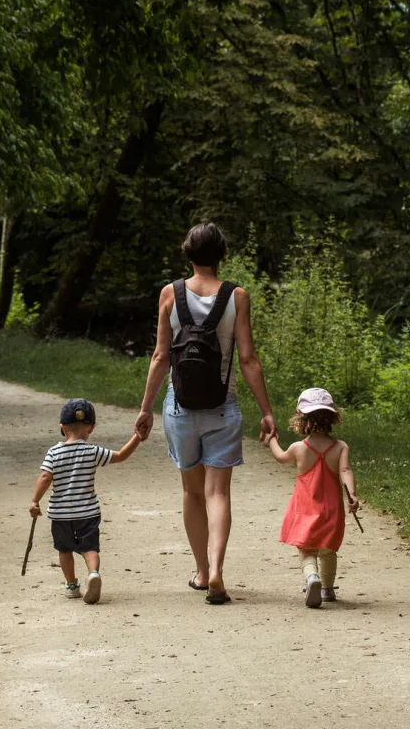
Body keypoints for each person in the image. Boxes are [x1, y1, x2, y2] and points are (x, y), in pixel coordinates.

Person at [134, 222, 278, 605]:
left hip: (179, 409)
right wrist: (266, 411)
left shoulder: (170, 294)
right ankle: (217, 570)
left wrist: (147, 408)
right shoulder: (238, 297)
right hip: (222, 407)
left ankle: (200, 572)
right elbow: (247, 358)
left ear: (188, 253)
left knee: (192, 492)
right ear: (222, 254)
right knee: (218, 493)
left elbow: (161, 356)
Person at [29, 397, 142, 604]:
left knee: (64, 550)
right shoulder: (93, 452)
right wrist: (137, 437)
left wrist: (35, 501)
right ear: (91, 427)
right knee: (90, 548)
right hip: (87, 512)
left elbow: (45, 477)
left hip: (61, 514)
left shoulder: (54, 453)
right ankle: (93, 573)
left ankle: (72, 585)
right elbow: (120, 456)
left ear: (62, 427)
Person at [264, 387, 358, 608]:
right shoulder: (340, 447)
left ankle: (312, 578)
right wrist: (352, 494)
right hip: (331, 510)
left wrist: (272, 441)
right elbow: (345, 471)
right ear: (333, 417)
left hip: (305, 509)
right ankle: (327, 589)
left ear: (301, 417)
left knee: (307, 550)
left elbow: (280, 457)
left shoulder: (299, 448)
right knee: (328, 549)